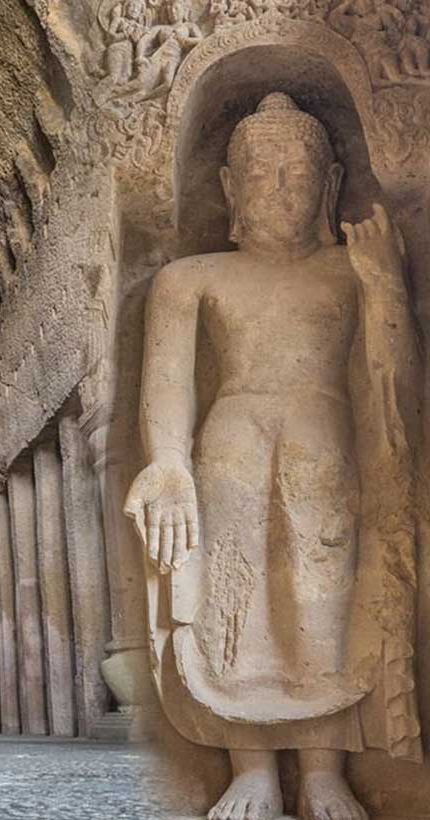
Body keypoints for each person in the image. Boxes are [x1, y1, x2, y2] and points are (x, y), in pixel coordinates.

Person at [125, 93, 422, 820]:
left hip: (324, 440)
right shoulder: (190, 279)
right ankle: (249, 766)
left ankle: (324, 771)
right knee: (235, 599)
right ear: (230, 187)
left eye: (298, 173)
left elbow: (400, 387)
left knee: (322, 601)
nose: (281, 188)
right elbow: (166, 388)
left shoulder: (350, 273)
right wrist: (166, 466)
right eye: (261, 173)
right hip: (228, 442)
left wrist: (385, 286)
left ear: (328, 185)